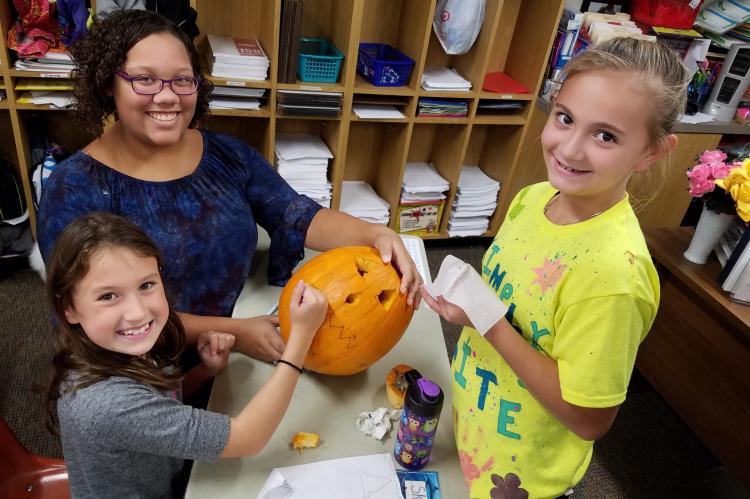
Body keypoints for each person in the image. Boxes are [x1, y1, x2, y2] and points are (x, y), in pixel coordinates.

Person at [36, 9, 419, 364]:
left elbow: (295, 214)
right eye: (145, 79)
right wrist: (235, 333)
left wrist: (375, 234)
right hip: (143, 370)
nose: (168, 95)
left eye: (183, 79)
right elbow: (89, 319)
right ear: (107, 85)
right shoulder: (75, 189)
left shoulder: (226, 154)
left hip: (242, 341)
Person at [421, 37, 689, 498]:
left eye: (606, 135)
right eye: (565, 118)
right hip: (474, 423)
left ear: (652, 152)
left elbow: (588, 418)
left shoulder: (613, 277)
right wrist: (470, 301)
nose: (570, 149)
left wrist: (486, 322)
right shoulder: (533, 198)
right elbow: (521, 303)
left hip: (524, 473)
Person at [45, 212, 328, 498]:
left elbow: (156, 404)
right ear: (68, 307)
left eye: (146, 285)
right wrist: (301, 339)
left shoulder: (124, 345)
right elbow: (247, 439)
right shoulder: (108, 404)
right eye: (108, 296)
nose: (138, 313)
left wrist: (203, 373)